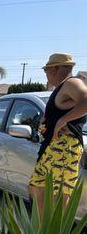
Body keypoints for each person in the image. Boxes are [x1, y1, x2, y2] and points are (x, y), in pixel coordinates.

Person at [28, 53, 87, 215]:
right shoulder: (62, 88)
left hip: (64, 146)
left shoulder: (72, 83)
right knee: (36, 187)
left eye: (46, 70)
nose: (46, 74)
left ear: (53, 69)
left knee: (57, 195)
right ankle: (41, 232)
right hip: (53, 146)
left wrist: (63, 121)